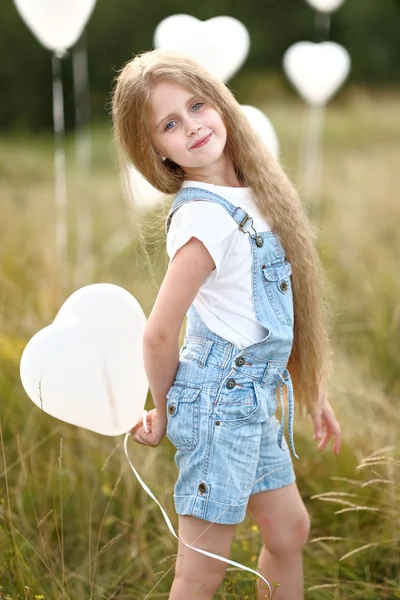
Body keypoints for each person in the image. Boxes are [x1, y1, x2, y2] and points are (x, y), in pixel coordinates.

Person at [112, 49, 341, 600]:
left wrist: (311, 389)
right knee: (202, 570)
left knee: (289, 531)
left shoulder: (255, 192)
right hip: (217, 405)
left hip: (252, 397)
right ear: (156, 150)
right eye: (170, 124)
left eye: (196, 105)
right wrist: (165, 413)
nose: (191, 126)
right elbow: (160, 332)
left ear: (220, 102)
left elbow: (264, 312)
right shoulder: (203, 218)